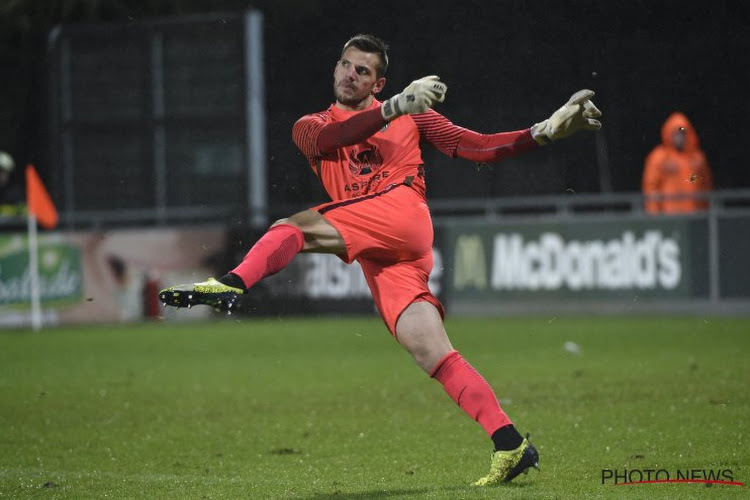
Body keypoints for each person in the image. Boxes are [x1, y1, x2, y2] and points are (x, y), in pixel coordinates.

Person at [159, 34, 601, 486]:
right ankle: (510, 443)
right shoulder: (310, 125)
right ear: (335, 68)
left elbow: (477, 146)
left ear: (378, 82)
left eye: (363, 71)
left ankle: (232, 283)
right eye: (346, 66)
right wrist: (396, 107)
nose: (350, 75)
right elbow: (337, 135)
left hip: (404, 214)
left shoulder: (412, 112)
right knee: (431, 351)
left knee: (289, 228)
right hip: (382, 252)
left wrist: (542, 131)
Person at [642, 112, 713, 213]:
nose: (680, 137)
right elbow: (651, 187)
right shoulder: (660, 157)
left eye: (683, 133)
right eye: (676, 133)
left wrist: (706, 211)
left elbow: (705, 185)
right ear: (669, 133)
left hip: (695, 213)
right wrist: (654, 213)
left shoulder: (697, 158)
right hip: (669, 214)